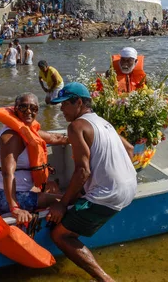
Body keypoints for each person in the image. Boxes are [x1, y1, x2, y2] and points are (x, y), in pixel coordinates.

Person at [47, 83, 137, 282]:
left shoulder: (76, 126)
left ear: (78, 102)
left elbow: (82, 171)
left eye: (64, 104)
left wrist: (62, 204)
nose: (61, 109)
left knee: (60, 235)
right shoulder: (104, 123)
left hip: (108, 194)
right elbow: (130, 149)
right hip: (130, 188)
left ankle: (105, 279)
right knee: (78, 200)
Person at [0, 93, 69, 223]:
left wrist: (78, 138)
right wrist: (14, 207)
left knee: (52, 186)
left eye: (33, 108)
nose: (28, 111)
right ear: (15, 109)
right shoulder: (12, 138)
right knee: (64, 200)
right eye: (23, 107)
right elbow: (7, 174)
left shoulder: (27, 130)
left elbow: (54, 138)